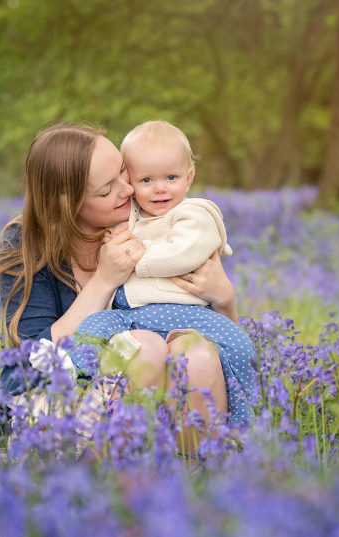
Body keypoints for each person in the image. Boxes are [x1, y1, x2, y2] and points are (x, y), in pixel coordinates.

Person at [0, 122, 241, 445]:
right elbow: (32, 361)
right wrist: (104, 280)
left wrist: (224, 299)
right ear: (69, 204)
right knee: (143, 347)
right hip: (54, 408)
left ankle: (196, 481)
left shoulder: (155, 223)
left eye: (125, 173)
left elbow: (220, 337)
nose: (128, 190)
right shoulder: (25, 244)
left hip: (145, 403)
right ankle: (111, 487)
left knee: (197, 353)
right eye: (107, 189)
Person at [68, 120, 255, 425]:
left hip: (190, 315)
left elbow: (184, 254)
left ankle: (242, 423)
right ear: (131, 181)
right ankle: (74, 386)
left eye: (171, 177)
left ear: (189, 177)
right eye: (146, 180)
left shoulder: (195, 214)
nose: (160, 189)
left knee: (239, 346)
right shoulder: (131, 217)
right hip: (132, 315)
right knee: (92, 327)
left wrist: (137, 259)